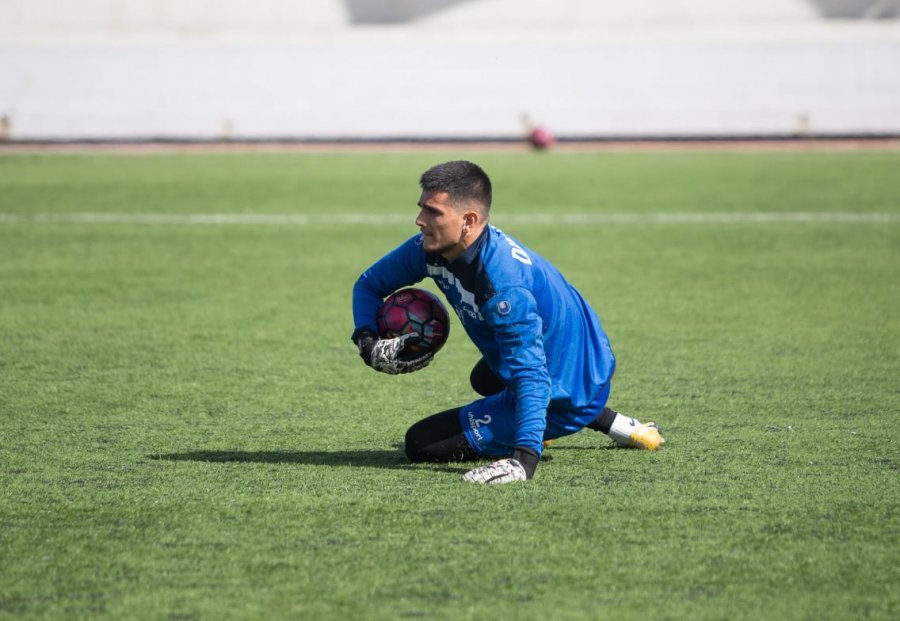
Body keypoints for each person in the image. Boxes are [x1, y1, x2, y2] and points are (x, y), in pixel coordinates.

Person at [351, 160, 664, 485]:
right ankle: (613, 422)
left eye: (433, 212)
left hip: (567, 382)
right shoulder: (434, 248)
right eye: (421, 209)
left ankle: (565, 417)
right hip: (570, 359)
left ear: (468, 221)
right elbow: (369, 284)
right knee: (486, 378)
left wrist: (523, 460)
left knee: (421, 443)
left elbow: (532, 374)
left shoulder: (503, 287)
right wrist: (367, 340)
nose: (420, 221)